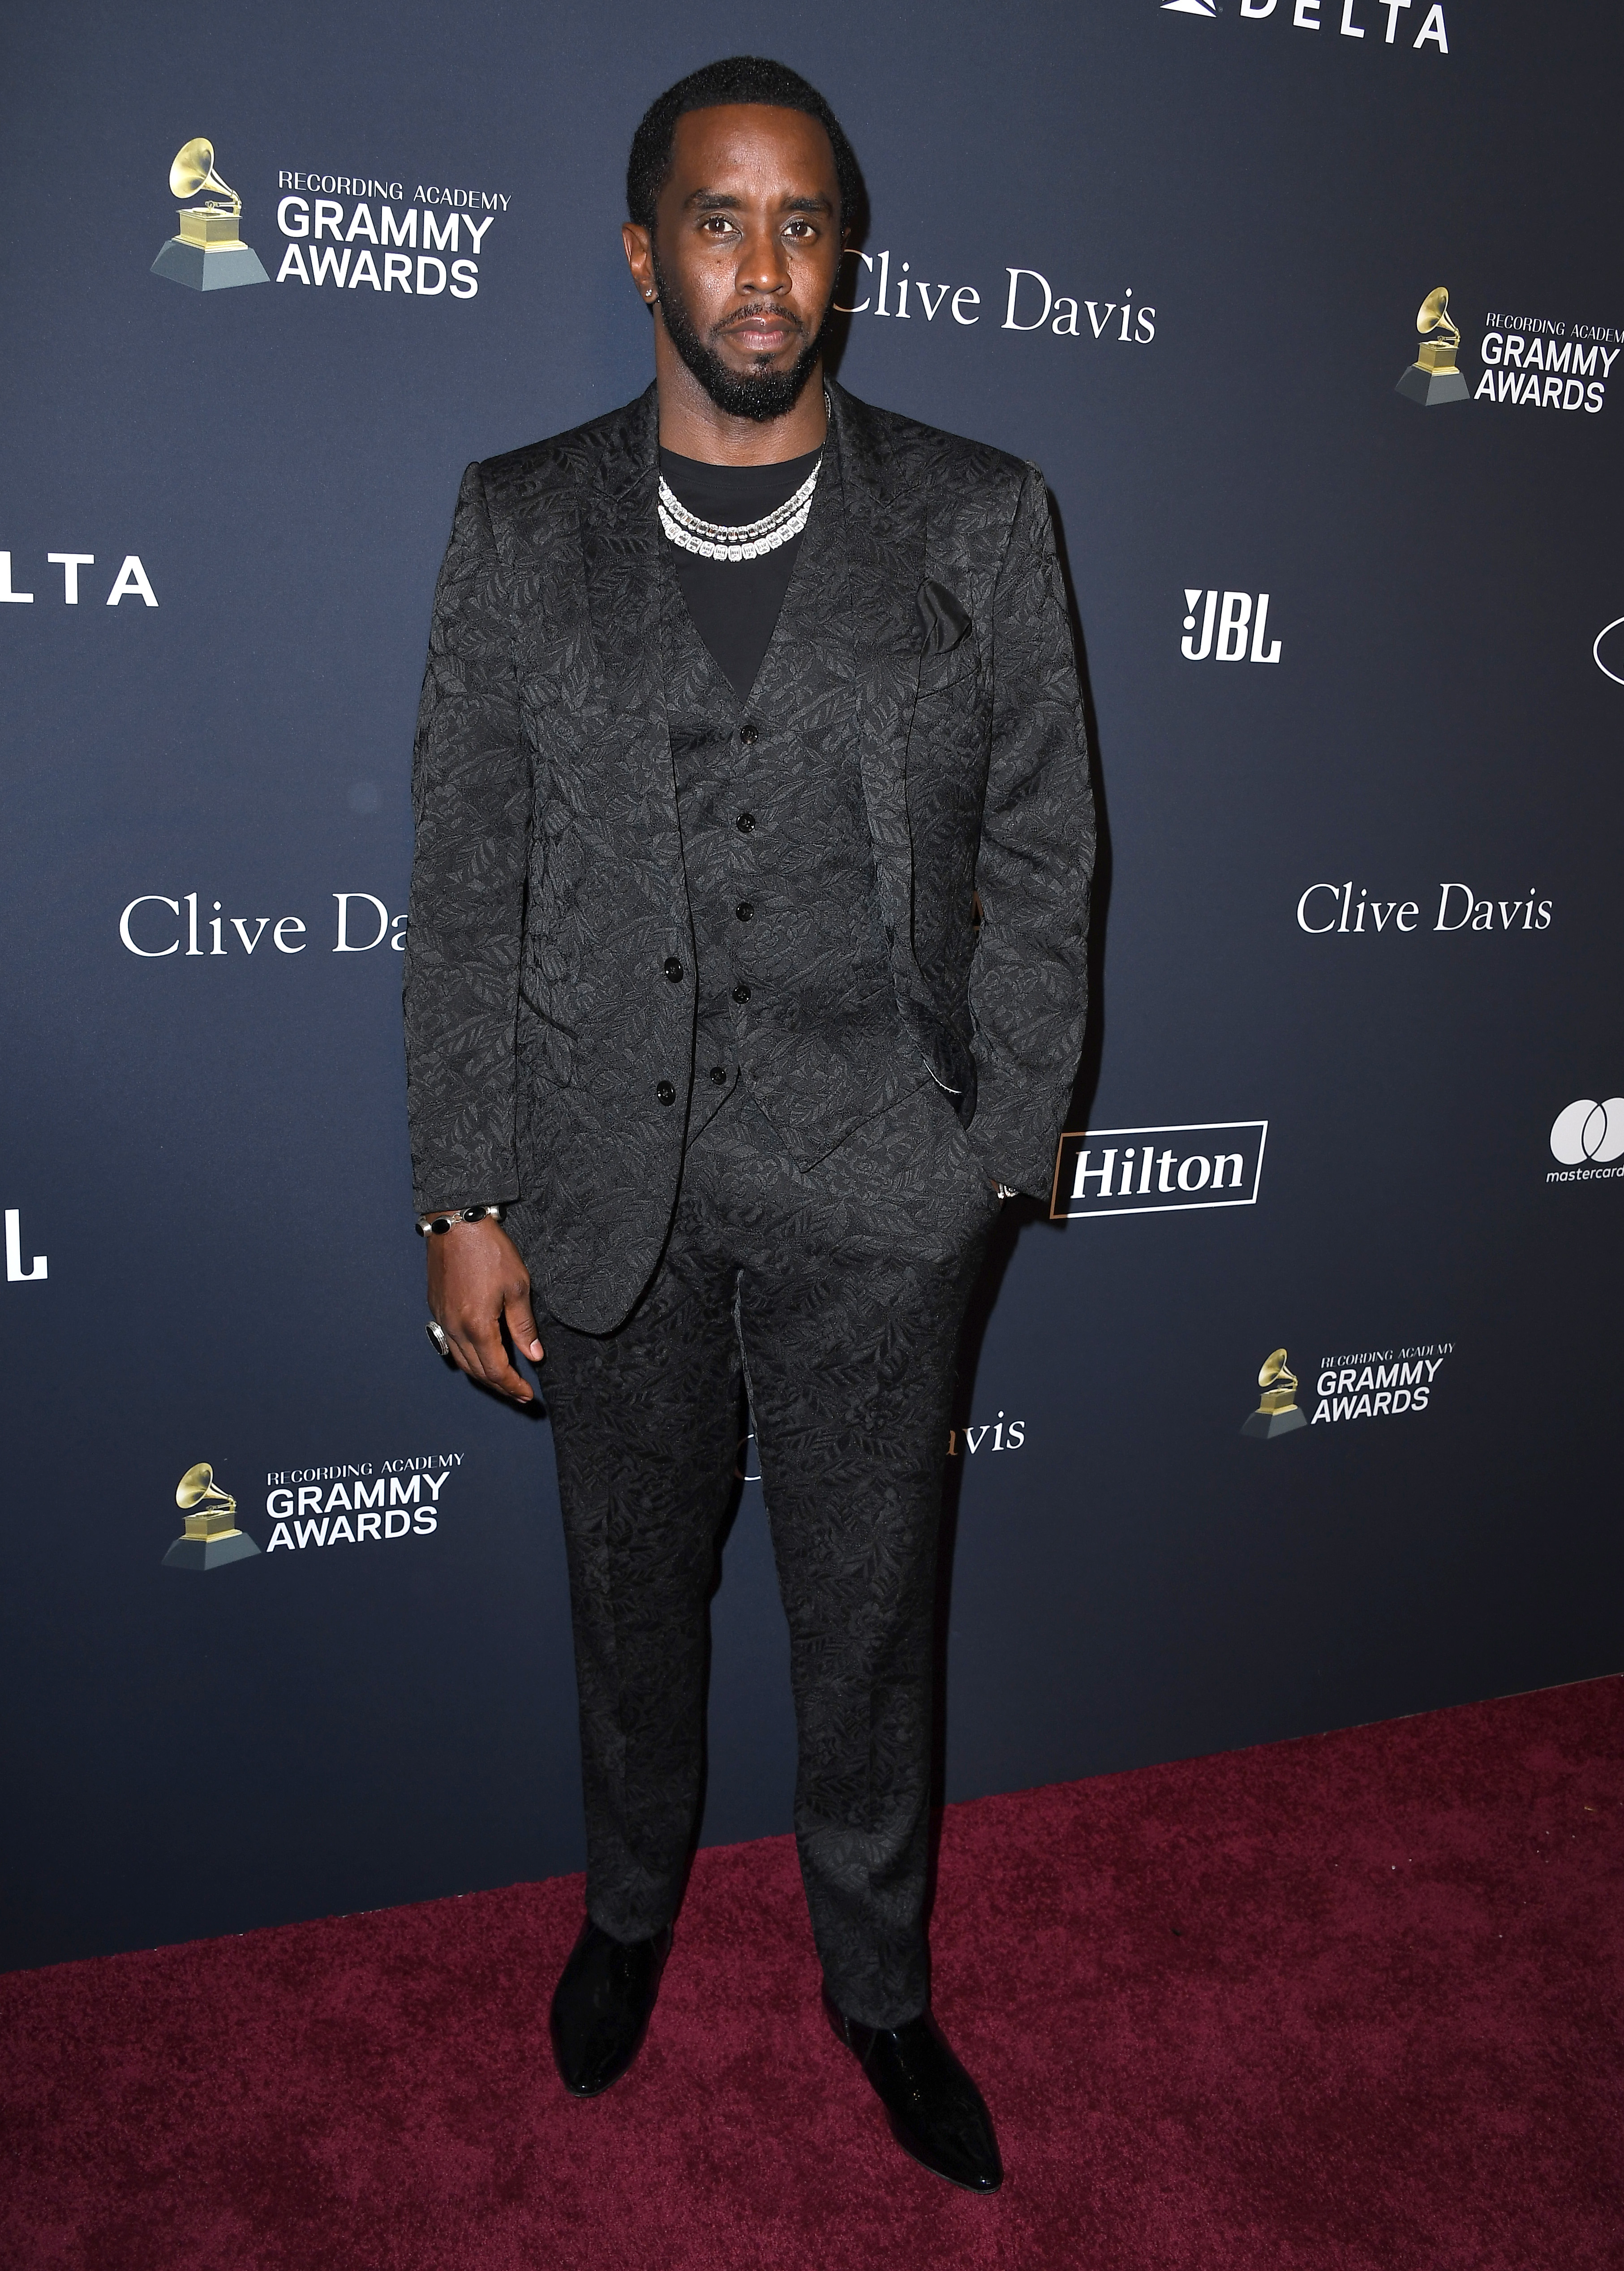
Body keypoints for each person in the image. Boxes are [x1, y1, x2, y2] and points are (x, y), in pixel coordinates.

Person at [403, 55, 1093, 2194]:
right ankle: (628, 1909)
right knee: (630, 1591)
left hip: (884, 1185)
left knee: (871, 1608)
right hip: (608, 1178)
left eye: (804, 224)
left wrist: (996, 1160)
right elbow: (466, 873)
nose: (764, 265)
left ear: (848, 260)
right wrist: (461, 1187)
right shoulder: (517, 521)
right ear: (641, 250)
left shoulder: (982, 514)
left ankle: (876, 1984)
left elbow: (1051, 854)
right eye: (719, 218)